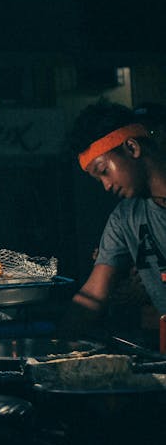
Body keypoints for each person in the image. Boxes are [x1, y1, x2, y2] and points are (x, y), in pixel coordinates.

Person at [66, 100, 166, 341]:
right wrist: (51, 351)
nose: (106, 185)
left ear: (131, 148)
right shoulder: (124, 218)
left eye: (104, 171)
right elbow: (92, 296)